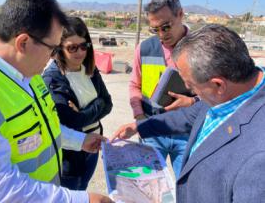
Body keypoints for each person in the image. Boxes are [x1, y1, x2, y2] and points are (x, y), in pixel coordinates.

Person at [0, 0, 113, 203]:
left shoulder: (28, 72)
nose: (54, 56)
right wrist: (82, 200)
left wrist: (80, 140)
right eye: (52, 48)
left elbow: (44, 128)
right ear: (23, 42)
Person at [112, 24, 265, 203]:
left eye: (190, 85)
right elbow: (190, 114)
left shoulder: (258, 158)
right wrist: (138, 126)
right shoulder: (228, 94)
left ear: (218, 85)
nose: (187, 89)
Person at [130, 0, 196, 177]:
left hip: (187, 133)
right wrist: (139, 116)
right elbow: (135, 85)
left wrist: (192, 102)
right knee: (149, 187)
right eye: (155, 29)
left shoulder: (201, 49)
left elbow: (216, 92)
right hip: (153, 130)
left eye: (166, 27)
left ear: (180, 14)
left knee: (186, 189)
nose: (161, 34)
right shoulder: (144, 49)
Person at [43, 16, 113, 190]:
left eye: (84, 46)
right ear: (59, 47)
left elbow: (109, 103)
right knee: (71, 193)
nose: (80, 52)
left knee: (83, 188)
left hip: (93, 147)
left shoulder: (90, 69)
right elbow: (69, 121)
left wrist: (82, 114)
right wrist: (97, 105)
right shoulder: (53, 78)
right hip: (70, 153)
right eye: (72, 47)